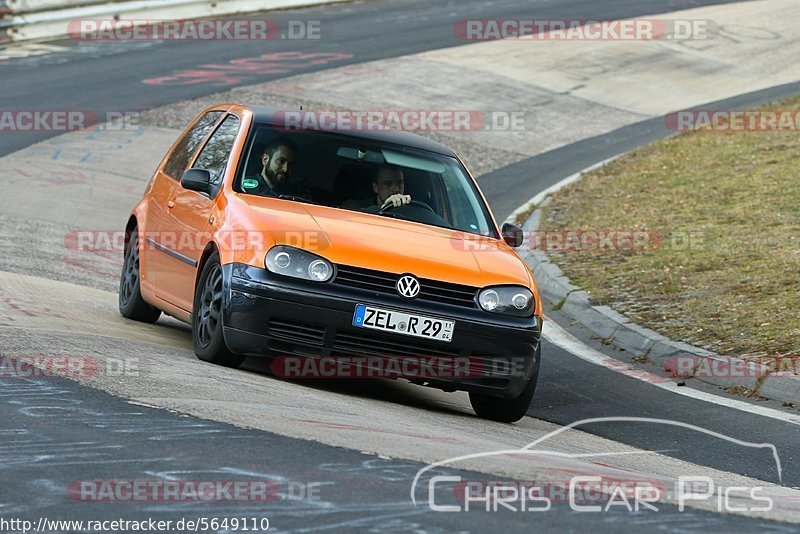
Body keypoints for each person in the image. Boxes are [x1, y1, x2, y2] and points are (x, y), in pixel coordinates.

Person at [241, 139, 306, 197]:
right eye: (281, 161)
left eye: (290, 164)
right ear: (265, 159)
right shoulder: (245, 187)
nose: (285, 169)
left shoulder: (293, 195)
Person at [342, 165, 411, 213]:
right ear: (376, 187)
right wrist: (384, 208)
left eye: (399, 183)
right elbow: (348, 216)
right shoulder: (356, 205)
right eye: (388, 184)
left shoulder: (413, 210)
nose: (395, 189)